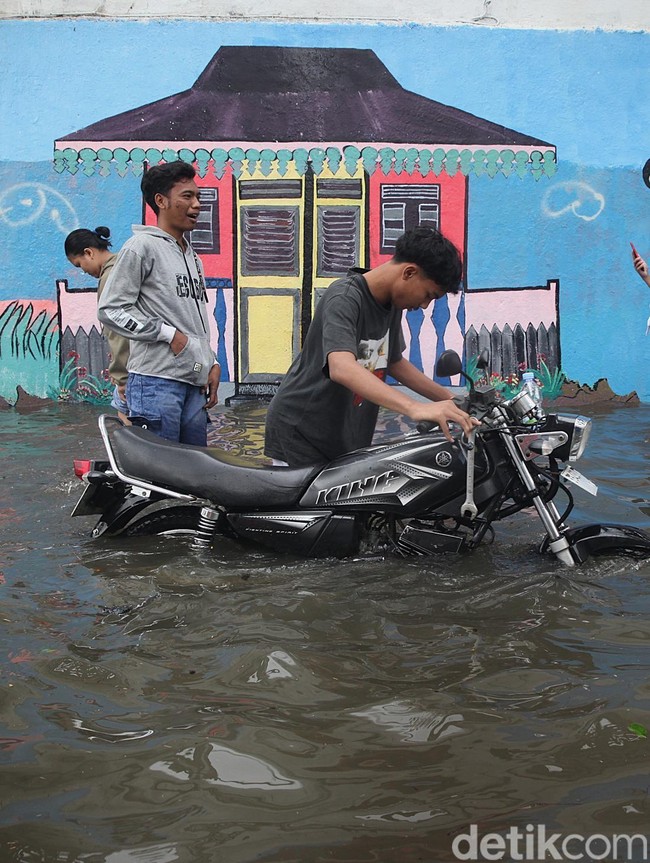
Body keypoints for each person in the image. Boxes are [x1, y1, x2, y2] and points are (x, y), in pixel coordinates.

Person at [264, 226, 479, 467]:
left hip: (342, 434)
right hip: (302, 432)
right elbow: (341, 367)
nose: (425, 305)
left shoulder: (392, 303)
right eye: (428, 295)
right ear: (409, 272)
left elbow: (393, 362)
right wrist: (414, 408)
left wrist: (455, 400)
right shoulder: (344, 298)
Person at [97, 161, 220, 446]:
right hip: (155, 382)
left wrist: (211, 361)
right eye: (187, 197)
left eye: (198, 197)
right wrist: (169, 335)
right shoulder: (141, 247)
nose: (197, 205)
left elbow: (190, 316)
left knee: (193, 474)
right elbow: (111, 310)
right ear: (161, 201)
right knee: (160, 477)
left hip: (194, 383)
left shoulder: (192, 256)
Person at [64, 226, 130, 423]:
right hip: (149, 366)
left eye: (79, 265)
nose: (83, 271)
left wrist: (121, 377)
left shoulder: (110, 278)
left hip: (135, 370)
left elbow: (119, 331)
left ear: (89, 253)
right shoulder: (126, 266)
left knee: (128, 425)